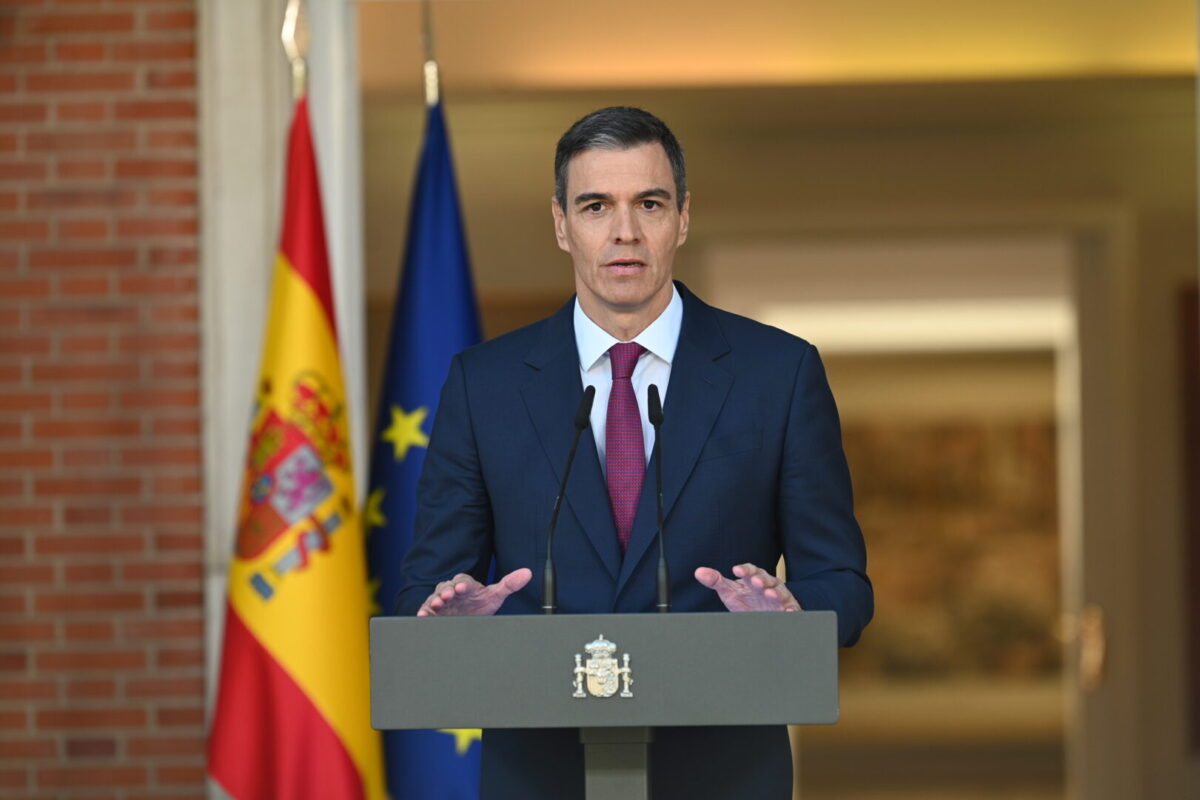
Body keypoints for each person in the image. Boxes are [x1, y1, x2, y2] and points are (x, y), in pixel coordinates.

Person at [395, 106, 872, 799]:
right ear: (561, 223)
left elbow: (845, 585)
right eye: (596, 206)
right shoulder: (484, 386)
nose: (625, 231)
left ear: (682, 217)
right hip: (541, 775)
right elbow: (427, 585)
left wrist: (794, 612)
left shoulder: (779, 374)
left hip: (725, 773)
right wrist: (452, 617)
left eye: (648, 203)